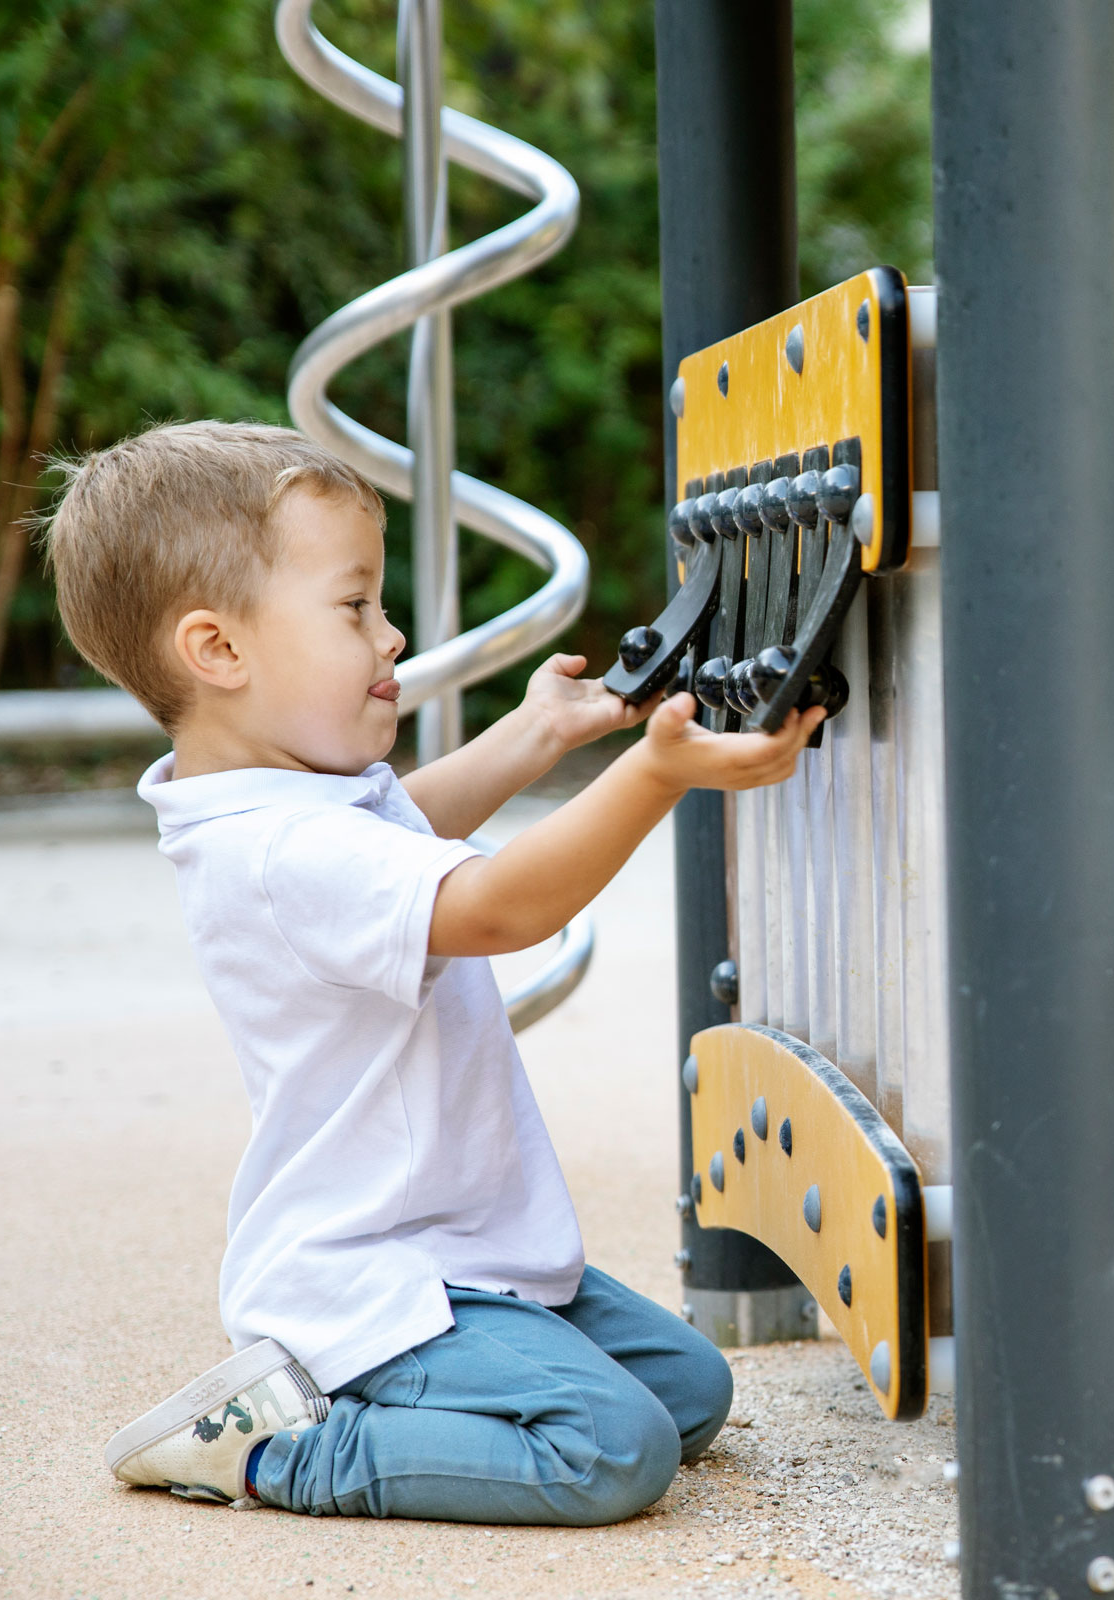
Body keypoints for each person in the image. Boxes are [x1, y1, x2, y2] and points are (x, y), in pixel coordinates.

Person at [46, 420, 822, 1523]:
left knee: (689, 1390)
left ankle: (428, 1395)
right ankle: (282, 1449)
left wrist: (536, 735)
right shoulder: (280, 850)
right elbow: (500, 907)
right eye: (354, 606)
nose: (392, 634)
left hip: (465, 1247)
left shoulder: (292, 801)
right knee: (613, 1451)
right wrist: (656, 777)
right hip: (377, 1277)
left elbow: (406, 826)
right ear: (219, 650)